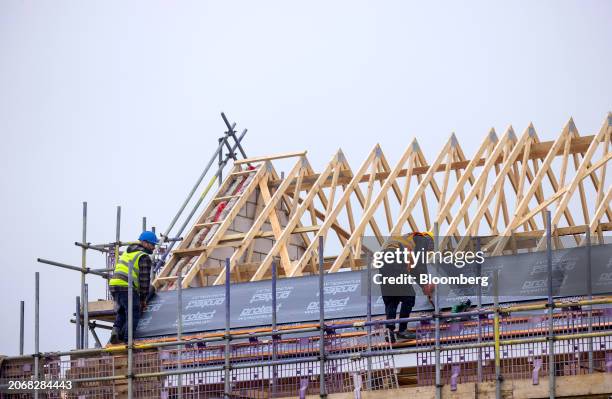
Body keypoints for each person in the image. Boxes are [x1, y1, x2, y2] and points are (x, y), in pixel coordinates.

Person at [379, 232, 434, 343]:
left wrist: (423, 284)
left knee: (392, 299)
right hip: (395, 260)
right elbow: (420, 265)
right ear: (430, 241)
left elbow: (414, 271)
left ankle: (389, 331)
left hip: (384, 262)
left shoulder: (407, 241)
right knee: (409, 296)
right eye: (429, 249)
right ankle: (403, 330)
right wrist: (426, 284)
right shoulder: (422, 238)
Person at [108, 231, 157, 344]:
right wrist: (143, 299)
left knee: (123, 310)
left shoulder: (128, 252)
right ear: (144, 243)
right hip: (126, 286)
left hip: (114, 285)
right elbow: (144, 281)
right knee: (134, 312)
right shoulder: (143, 257)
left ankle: (116, 330)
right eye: (152, 244)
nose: (154, 248)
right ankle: (128, 340)